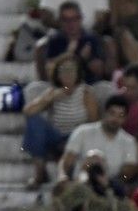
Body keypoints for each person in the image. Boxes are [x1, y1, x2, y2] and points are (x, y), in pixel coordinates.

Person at [21, 56, 98, 187]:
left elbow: (94, 124)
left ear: (77, 73)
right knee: (34, 121)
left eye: (71, 70)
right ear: (58, 74)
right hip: (56, 137)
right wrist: (49, 99)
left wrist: (75, 141)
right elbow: (28, 112)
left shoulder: (86, 92)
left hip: (77, 139)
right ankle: (40, 173)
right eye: (63, 71)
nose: (67, 74)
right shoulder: (52, 91)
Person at [60, 95, 138, 189]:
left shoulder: (129, 142)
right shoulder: (83, 132)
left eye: (120, 115)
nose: (115, 119)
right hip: (80, 185)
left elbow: (128, 170)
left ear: (125, 118)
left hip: (109, 187)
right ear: (104, 113)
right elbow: (67, 159)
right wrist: (62, 177)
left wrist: (110, 183)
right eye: (112, 113)